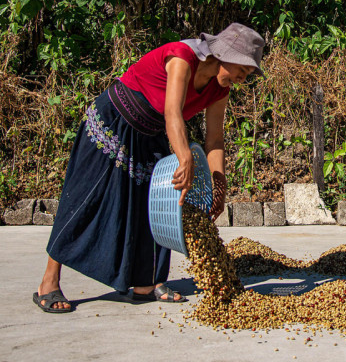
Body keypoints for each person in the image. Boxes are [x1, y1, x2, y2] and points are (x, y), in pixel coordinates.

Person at [33, 23, 265, 313]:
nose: (240, 80)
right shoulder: (182, 57)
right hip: (115, 119)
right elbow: (172, 113)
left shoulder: (220, 89)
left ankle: (147, 282)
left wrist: (219, 183)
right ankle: (48, 282)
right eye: (241, 71)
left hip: (151, 132)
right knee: (84, 198)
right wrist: (185, 158)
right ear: (225, 55)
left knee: (154, 206)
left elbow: (215, 139)